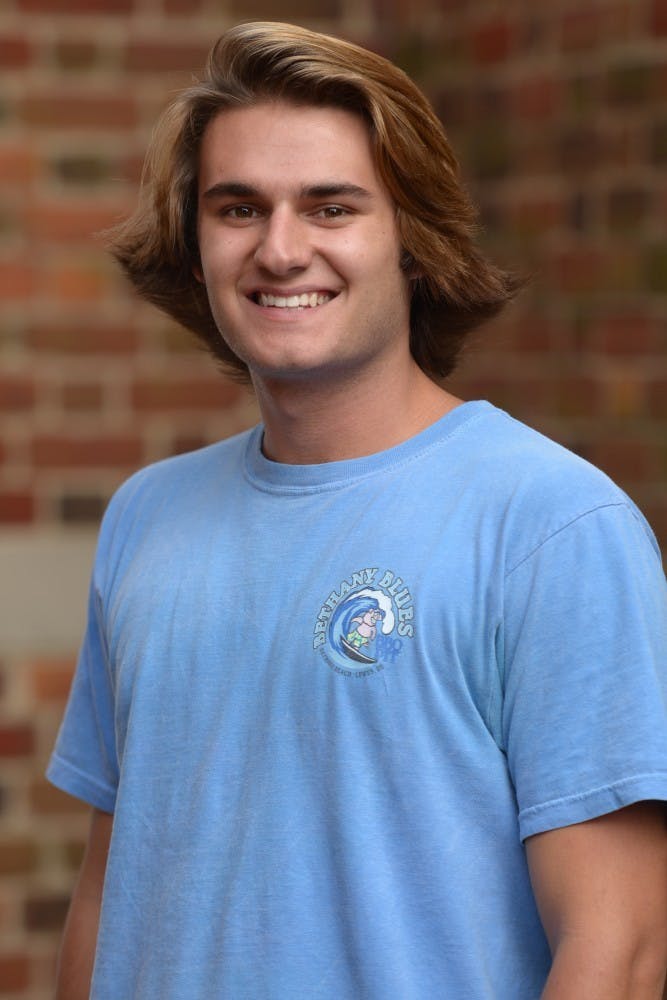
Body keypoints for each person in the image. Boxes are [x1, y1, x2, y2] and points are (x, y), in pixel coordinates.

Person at [48, 21, 667, 1000]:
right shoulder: (145, 517)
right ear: (195, 245)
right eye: (238, 208)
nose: (280, 249)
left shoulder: (551, 526)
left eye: (330, 207)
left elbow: (620, 949)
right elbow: (109, 894)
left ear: (412, 242)